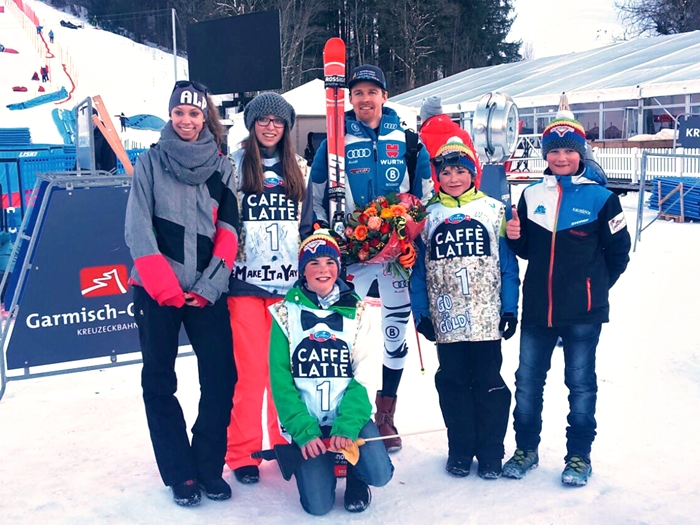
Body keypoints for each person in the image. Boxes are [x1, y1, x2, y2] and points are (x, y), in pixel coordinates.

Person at [125, 80, 240, 506]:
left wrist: (211, 284)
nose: (187, 120)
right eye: (180, 113)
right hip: (158, 291)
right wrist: (164, 286)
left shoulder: (221, 166)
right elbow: (138, 229)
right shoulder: (150, 163)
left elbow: (229, 229)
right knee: (159, 380)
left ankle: (208, 465)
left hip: (206, 291)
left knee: (222, 377)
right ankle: (180, 472)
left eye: (194, 114)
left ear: (204, 117)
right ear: (170, 116)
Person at [310, 64, 433, 452]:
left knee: (394, 332)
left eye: (371, 92)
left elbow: (425, 196)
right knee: (346, 335)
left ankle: (385, 414)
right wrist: (324, 235)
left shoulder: (409, 142)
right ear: (349, 99)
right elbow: (315, 196)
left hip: (396, 255)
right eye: (357, 93)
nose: (365, 99)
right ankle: (345, 413)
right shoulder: (335, 139)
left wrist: (409, 229)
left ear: (384, 95)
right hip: (352, 253)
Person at [503, 115, 631, 487]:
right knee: (527, 383)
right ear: (545, 155)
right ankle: (526, 449)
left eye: (569, 151)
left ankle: (578, 456)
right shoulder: (531, 195)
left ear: (581, 154)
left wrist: (595, 288)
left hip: (582, 312)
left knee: (580, 384)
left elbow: (618, 253)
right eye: (554, 151)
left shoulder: (602, 199)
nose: (561, 158)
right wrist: (514, 237)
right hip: (538, 310)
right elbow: (527, 249)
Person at [410, 137, 520, 480]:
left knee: (489, 384)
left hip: (486, 318)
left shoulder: (494, 209)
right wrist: (421, 313)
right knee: (453, 384)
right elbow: (416, 269)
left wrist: (509, 308)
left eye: (461, 170)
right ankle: (459, 448)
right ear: (437, 176)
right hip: (447, 317)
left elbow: (507, 265)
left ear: (473, 172)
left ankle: (490, 451)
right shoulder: (426, 215)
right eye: (446, 172)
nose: (454, 178)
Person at [269, 230, 394, 515]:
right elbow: (280, 379)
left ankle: (356, 477)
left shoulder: (360, 312)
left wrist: (348, 425)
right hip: (307, 419)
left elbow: (366, 374)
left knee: (380, 474)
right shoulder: (284, 314)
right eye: (313, 263)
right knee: (318, 507)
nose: (322, 269)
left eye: (329, 261)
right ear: (303, 271)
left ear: (338, 267)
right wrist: (303, 431)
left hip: (349, 415)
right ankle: (316, 468)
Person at [224, 92, 314, 484]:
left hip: (287, 287)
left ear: (286, 127)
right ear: (252, 124)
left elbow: (309, 224)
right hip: (245, 284)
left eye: (278, 121)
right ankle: (242, 452)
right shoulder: (236, 164)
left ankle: (283, 439)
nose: (270, 126)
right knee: (250, 375)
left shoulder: (299, 169)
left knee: (286, 372)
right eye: (263, 120)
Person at [419, 95, 482, 192]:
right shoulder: (463, 134)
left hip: (434, 195)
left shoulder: (422, 138)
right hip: (463, 193)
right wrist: (474, 191)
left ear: (424, 117)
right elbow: (475, 166)